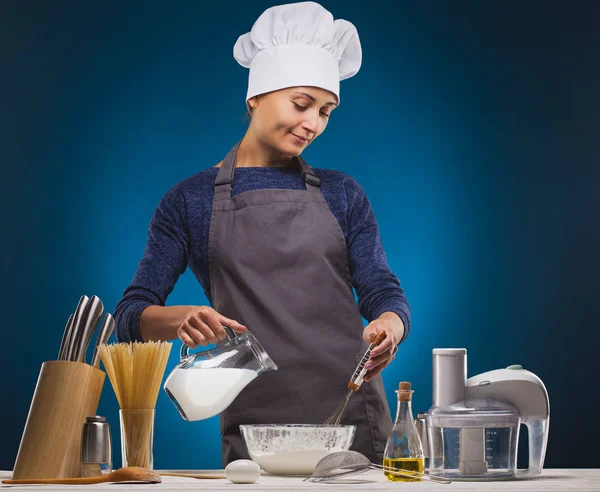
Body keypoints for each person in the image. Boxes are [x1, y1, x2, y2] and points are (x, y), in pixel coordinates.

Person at [114, 1, 411, 466]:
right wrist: (182, 318)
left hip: (354, 417)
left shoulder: (342, 193)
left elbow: (381, 290)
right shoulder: (189, 201)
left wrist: (391, 326)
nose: (313, 123)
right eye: (301, 104)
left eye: (326, 111)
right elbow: (130, 315)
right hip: (257, 433)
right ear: (255, 97)